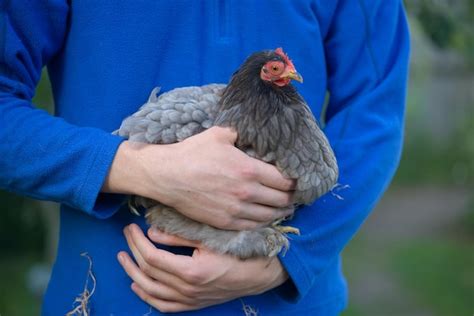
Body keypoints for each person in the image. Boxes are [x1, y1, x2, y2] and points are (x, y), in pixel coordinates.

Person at [0, 1, 409, 315]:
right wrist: (135, 168)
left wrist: (288, 260)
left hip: (286, 302)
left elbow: (374, 113)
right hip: (109, 292)